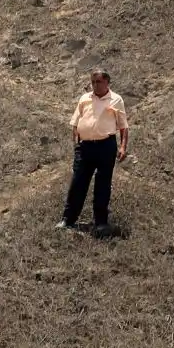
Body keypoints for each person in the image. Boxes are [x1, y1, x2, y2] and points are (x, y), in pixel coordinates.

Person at [59, 69, 129, 237]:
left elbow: (123, 126)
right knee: (78, 183)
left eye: (98, 82)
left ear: (107, 82)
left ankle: (101, 223)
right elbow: (75, 124)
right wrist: (76, 147)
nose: (95, 85)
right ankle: (67, 220)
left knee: (103, 185)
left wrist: (122, 147)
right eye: (93, 82)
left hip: (106, 146)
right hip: (85, 148)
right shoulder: (84, 99)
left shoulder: (116, 100)